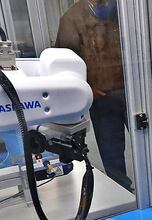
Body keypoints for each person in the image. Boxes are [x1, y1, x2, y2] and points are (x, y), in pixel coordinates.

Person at [56, 0, 133, 191]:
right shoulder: (71, 19)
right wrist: (86, 87)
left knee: (149, 140)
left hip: (134, 92)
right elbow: (63, 63)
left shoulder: (126, 11)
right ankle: (121, 191)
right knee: (111, 150)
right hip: (101, 96)